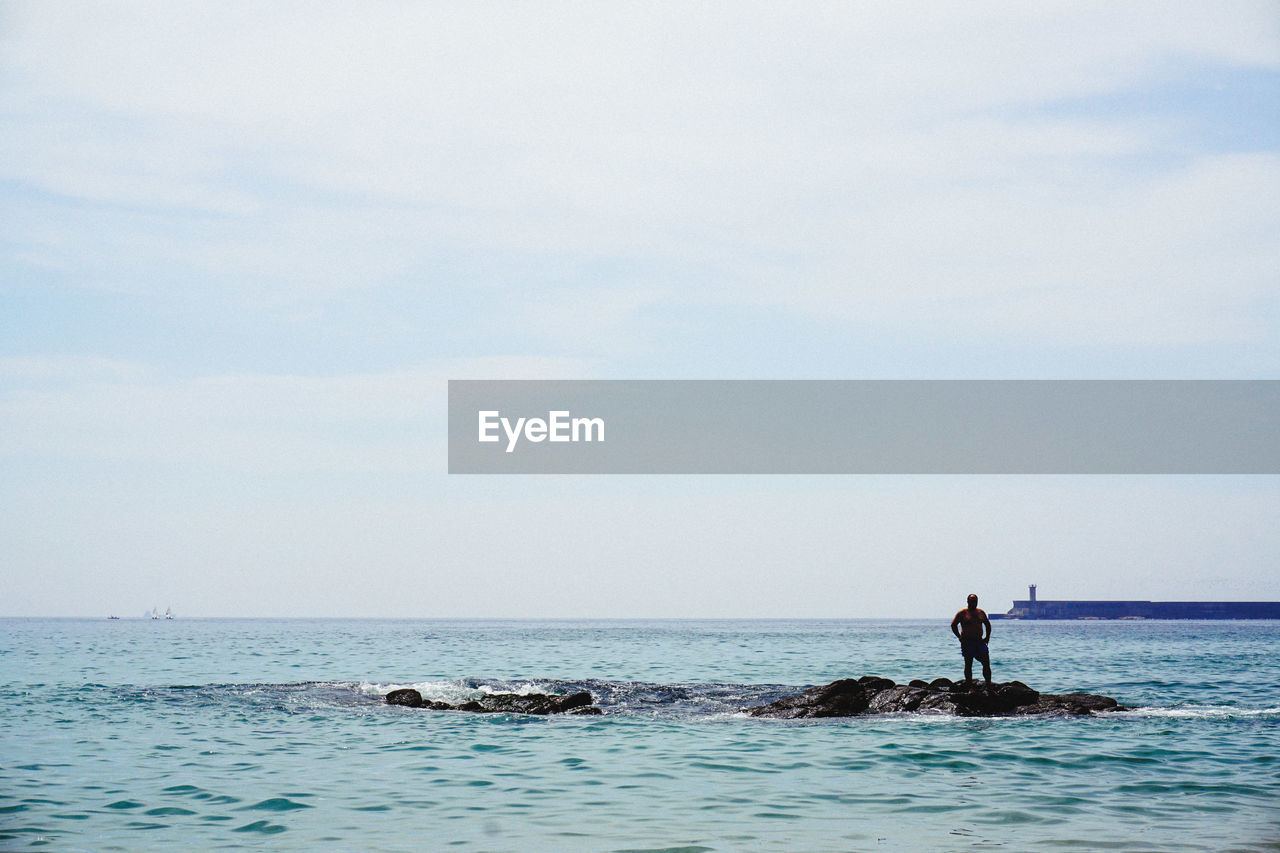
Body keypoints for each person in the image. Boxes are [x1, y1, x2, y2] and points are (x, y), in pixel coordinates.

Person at [950, 593, 992, 684]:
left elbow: (987, 625)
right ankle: (970, 687)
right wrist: (959, 637)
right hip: (967, 642)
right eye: (972, 601)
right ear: (968, 601)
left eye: (975, 601)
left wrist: (987, 637)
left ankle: (989, 686)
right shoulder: (962, 613)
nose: (974, 603)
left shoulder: (980, 612)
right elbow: (953, 625)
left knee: (986, 663)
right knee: (968, 664)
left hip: (979, 641)